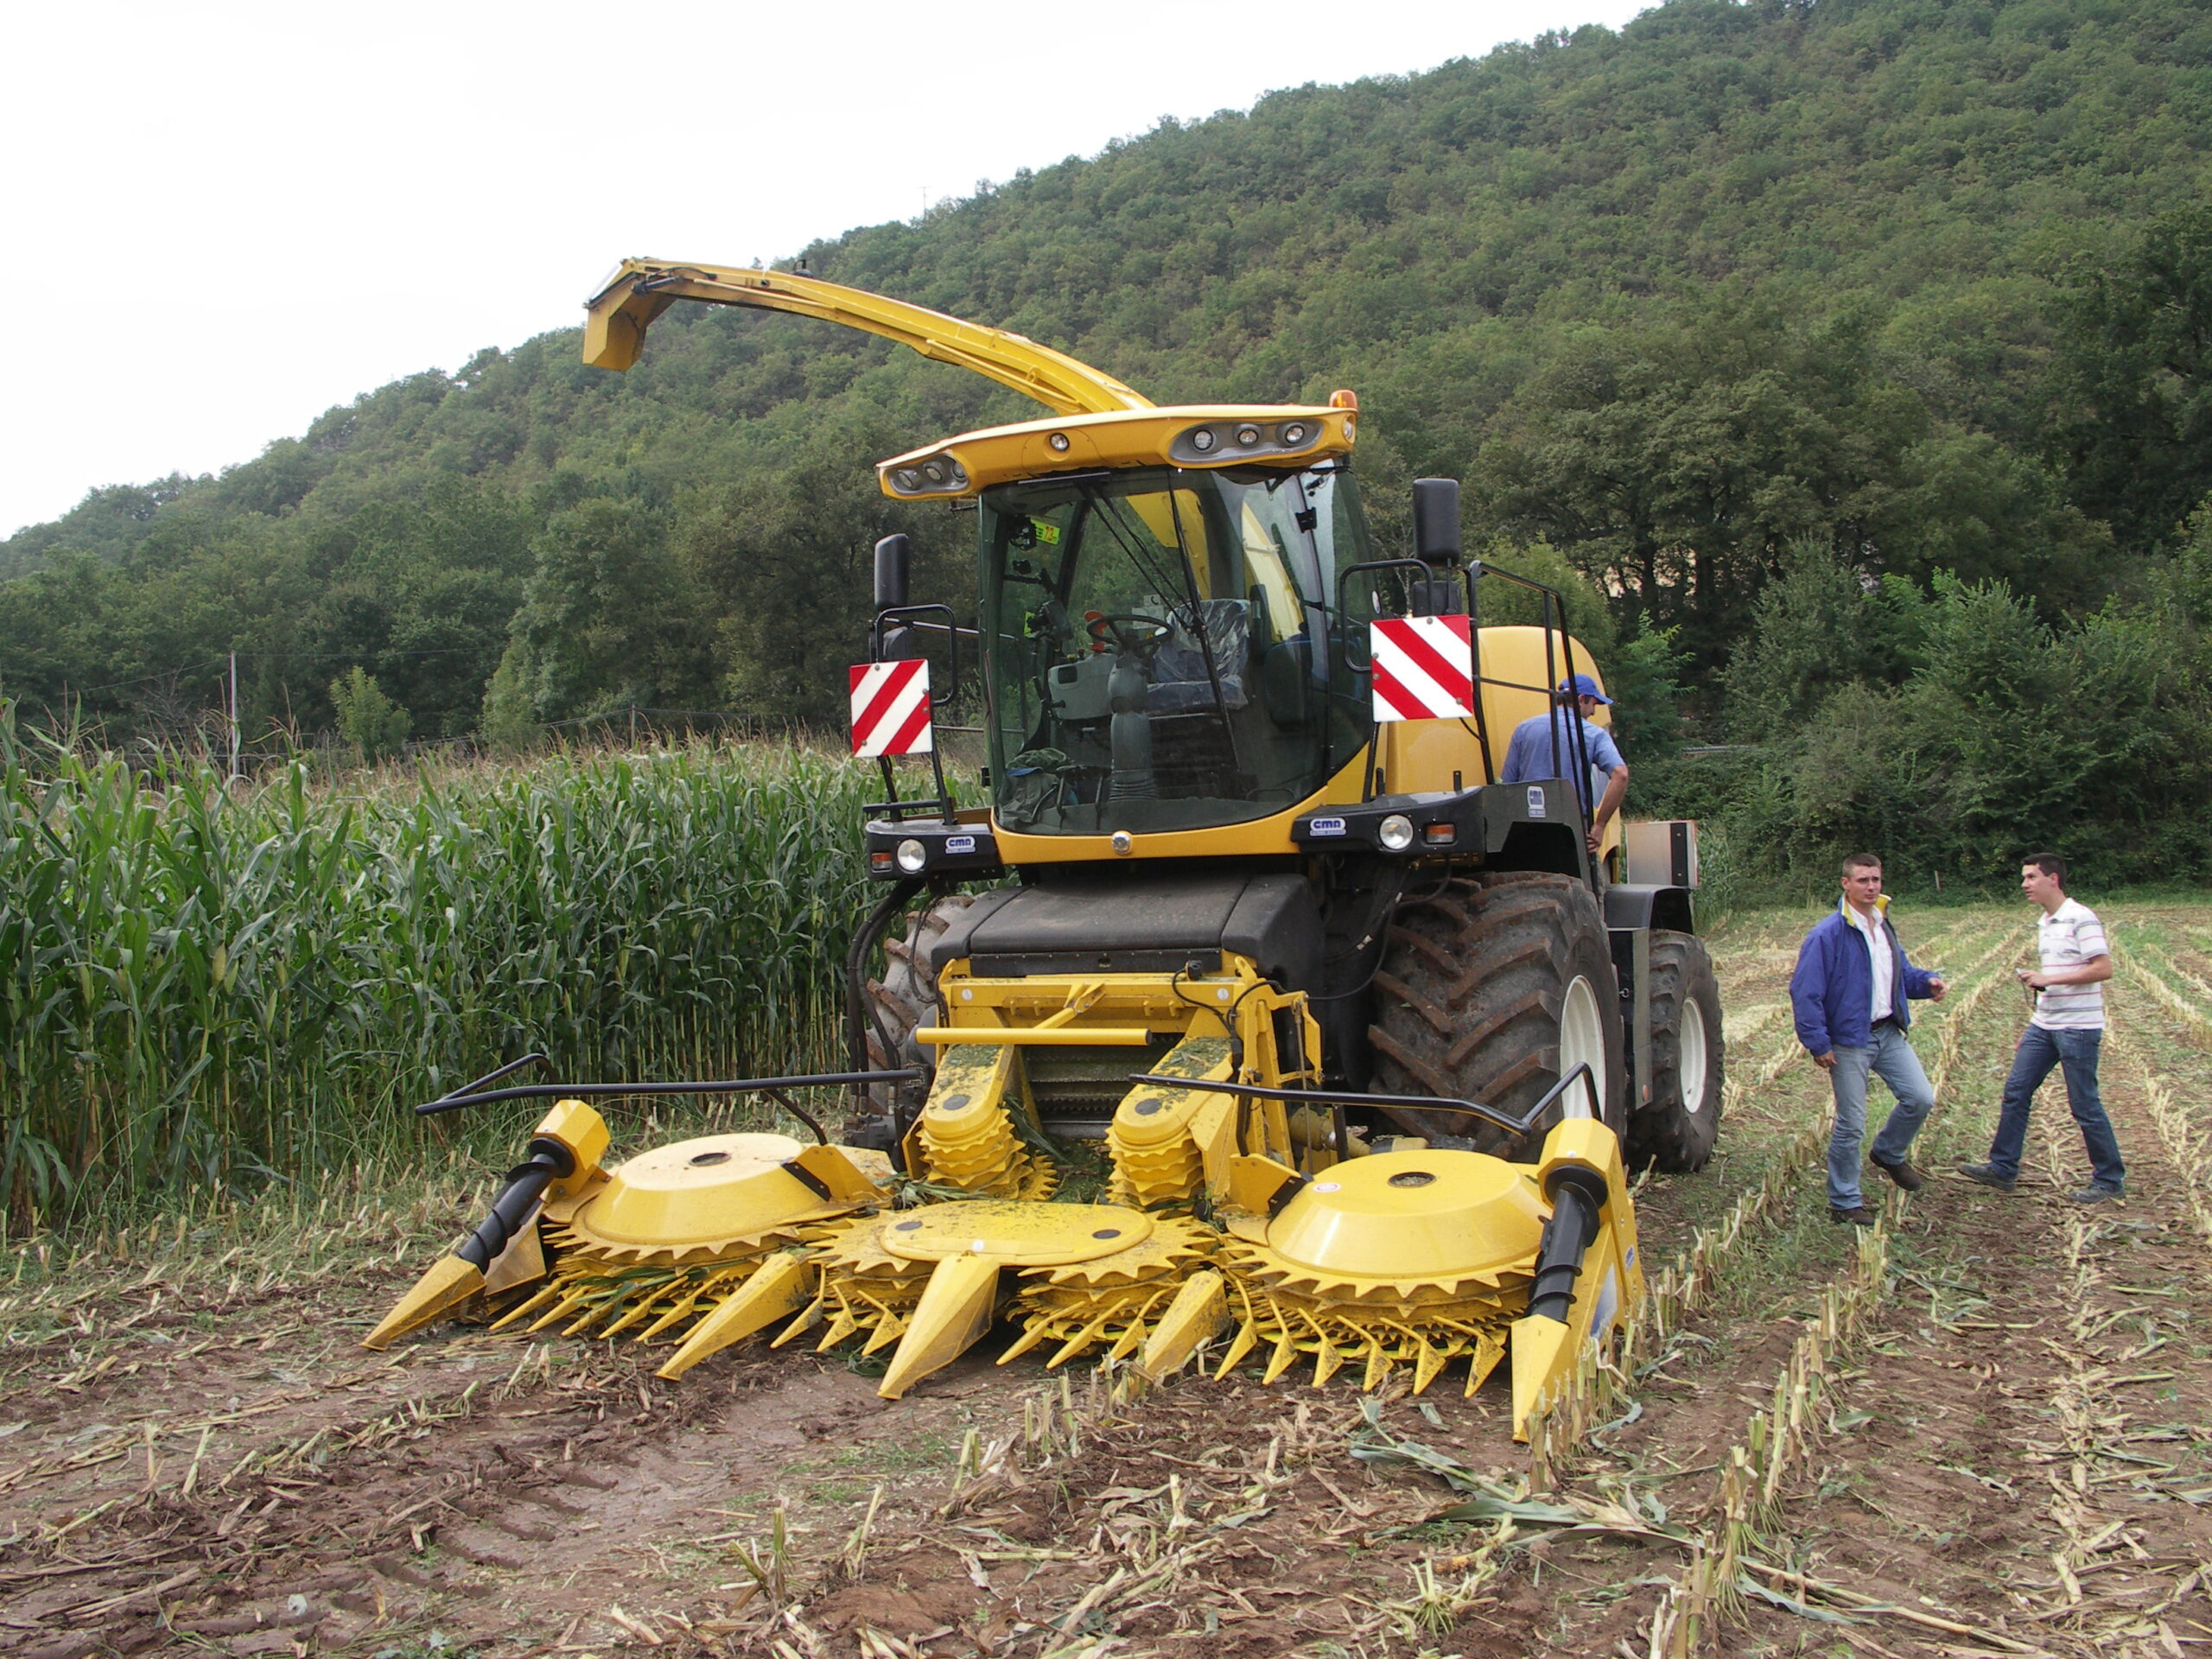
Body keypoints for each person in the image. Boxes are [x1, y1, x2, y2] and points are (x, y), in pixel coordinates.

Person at [1789, 853, 1949, 1226]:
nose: (1871, 886)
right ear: (1846, 884)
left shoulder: (1882, 925)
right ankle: (1844, 1201)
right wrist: (1818, 1043)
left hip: (1887, 1032)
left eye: (1875, 879)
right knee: (1852, 1123)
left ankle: (1889, 1153)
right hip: (1849, 1040)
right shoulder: (1827, 935)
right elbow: (1805, 991)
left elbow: (1901, 975)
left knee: (1921, 1098)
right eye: (1863, 880)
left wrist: (1927, 983)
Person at [1960, 855, 2125, 1203]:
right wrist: (2034, 1024)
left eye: (2031, 877)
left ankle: (2109, 1179)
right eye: (2024, 877)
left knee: (2084, 1104)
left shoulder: (2081, 918)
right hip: (2045, 1025)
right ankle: (2002, 1168)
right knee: (2015, 1091)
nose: (2024, 884)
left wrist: (2049, 978)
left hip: (2078, 1028)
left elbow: (2103, 968)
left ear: (2053, 879)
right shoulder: (2045, 922)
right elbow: (2055, 981)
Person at [1499, 674, 1628, 858]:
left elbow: (1507, 785)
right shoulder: (1593, 734)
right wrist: (1599, 826)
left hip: (1524, 828)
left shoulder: (1524, 728)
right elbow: (1621, 774)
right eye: (1594, 704)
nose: (1593, 712)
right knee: (1584, 885)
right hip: (1570, 829)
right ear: (1582, 699)